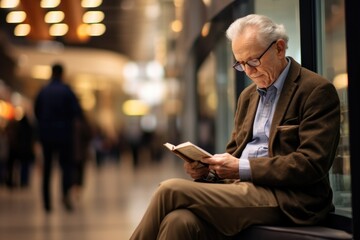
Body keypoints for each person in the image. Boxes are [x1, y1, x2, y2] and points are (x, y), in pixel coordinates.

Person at [129, 14, 341, 240]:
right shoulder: (248, 96)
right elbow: (234, 154)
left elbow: (311, 164)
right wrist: (208, 170)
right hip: (240, 190)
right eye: (240, 64)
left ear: (279, 48)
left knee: (169, 190)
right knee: (178, 221)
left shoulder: (316, 91)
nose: (248, 71)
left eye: (253, 61)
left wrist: (242, 168)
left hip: (290, 198)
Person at [34, 63, 82, 212]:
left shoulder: (43, 91)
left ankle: (47, 203)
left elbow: (36, 111)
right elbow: (77, 112)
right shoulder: (67, 91)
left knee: (47, 169)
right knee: (65, 167)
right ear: (62, 74)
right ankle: (64, 196)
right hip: (64, 135)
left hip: (46, 135)